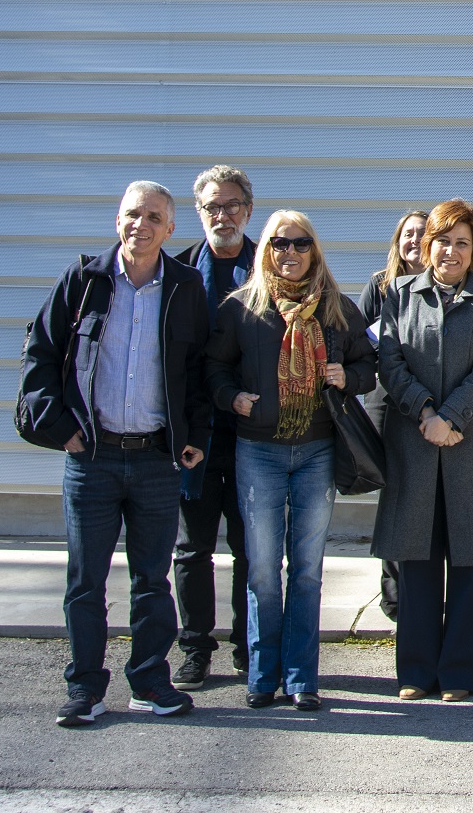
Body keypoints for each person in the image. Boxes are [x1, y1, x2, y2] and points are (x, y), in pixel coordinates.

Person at [19, 180, 211, 726]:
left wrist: (193, 436)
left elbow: (197, 369)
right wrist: (62, 430)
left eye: (154, 217)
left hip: (154, 460)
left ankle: (150, 681)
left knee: (152, 579)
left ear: (171, 229)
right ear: (117, 219)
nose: (141, 225)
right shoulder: (83, 281)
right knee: (86, 581)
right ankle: (84, 689)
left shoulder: (185, 286)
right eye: (132, 214)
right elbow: (41, 355)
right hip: (92, 459)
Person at [206, 210, 376, 712]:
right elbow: (213, 368)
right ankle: (263, 674)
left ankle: (302, 677)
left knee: (306, 569)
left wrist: (349, 377)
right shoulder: (242, 309)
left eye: (302, 244)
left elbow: (370, 362)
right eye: (281, 243)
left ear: (314, 250)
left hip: (317, 450)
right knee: (261, 569)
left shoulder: (337, 310)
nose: (291, 253)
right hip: (258, 450)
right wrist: (231, 397)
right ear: (267, 250)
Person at [373, 200, 473, 702]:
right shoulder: (399, 293)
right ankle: (416, 671)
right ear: (426, 244)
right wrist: (426, 413)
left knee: (472, 563)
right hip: (415, 440)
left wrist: (452, 417)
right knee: (416, 560)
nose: (451, 251)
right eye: (442, 240)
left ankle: (459, 674)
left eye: (462, 242)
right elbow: (389, 361)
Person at [170, 164, 257, 689]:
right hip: (196, 437)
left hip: (254, 435)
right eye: (211, 207)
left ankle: (249, 646)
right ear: (198, 213)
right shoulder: (177, 274)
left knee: (253, 548)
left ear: (249, 210)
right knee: (192, 548)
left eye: (231, 206)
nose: (222, 215)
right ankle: (195, 648)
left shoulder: (275, 265)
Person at [360, 209, 428, 623]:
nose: (415, 240)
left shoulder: (448, 287)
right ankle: (394, 595)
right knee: (397, 497)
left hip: (431, 403)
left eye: (423, 233)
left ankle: (424, 588)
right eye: (408, 233)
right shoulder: (380, 285)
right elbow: (361, 344)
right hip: (387, 402)